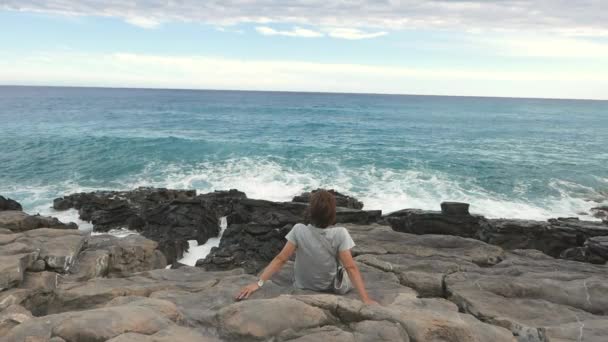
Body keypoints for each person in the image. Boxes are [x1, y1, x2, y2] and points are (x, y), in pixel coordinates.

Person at [235, 190, 377, 305]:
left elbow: (281, 259)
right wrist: (365, 299)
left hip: (303, 285)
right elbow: (351, 267)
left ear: (311, 212)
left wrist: (258, 283)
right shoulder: (341, 233)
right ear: (332, 213)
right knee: (345, 266)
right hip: (330, 287)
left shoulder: (298, 230)